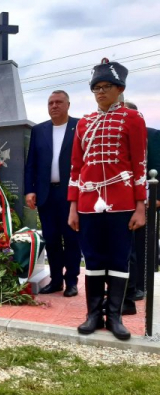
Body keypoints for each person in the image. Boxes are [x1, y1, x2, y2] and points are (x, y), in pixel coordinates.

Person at [68, 59, 147, 340]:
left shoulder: (133, 119)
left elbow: (139, 164)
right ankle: (93, 314)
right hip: (89, 202)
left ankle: (114, 316)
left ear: (119, 88)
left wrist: (140, 206)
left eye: (106, 87)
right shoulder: (84, 124)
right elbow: (76, 168)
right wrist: (74, 207)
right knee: (92, 259)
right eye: (96, 88)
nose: (100, 92)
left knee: (118, 259)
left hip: (122, 202)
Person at [24, 90, 81, 297]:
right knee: (52, 239)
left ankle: (72, 281)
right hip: (46, 194)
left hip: (71, 195)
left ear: (68, 104)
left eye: (58, 102)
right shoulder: (39, 130)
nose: (54, 106)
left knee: (72, 239)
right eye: (50, 103)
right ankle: (56, 280)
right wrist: (29, 190)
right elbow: (31, 163)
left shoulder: (79, 126)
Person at [122, 101, 160, 314]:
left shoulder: (153, 135)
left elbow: (158, 167)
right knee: (127, 246)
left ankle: (141, 287)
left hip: (147, 199)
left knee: (143, 244)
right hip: (123, 200)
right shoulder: (118, 137)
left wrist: (158, 197)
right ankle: (126, 286)